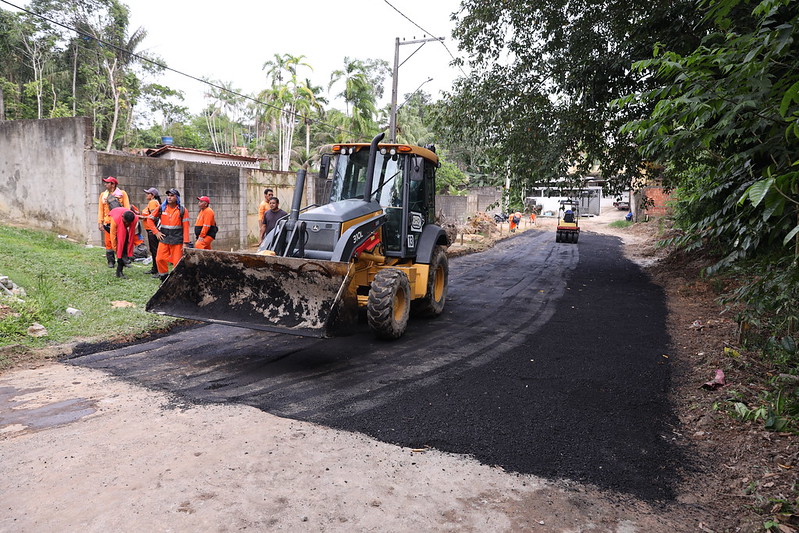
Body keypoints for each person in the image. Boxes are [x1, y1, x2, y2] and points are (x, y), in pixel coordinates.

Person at [152, 188, 190, 281]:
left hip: (177, 240)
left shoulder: (182, 211)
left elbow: (186, 227)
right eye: (168, 195)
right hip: (164, 239)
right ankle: (164, 278)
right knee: (159, 259)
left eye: (172, 195)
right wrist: (156, 232)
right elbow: (149, 219)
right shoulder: (162, 208)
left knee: (177, 263)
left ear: (177, 198)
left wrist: (185, 243)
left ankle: (176, 281)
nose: (169, 197)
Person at [97, 176, 130, 268]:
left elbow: (127, 208)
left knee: (121, 241)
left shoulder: (122, 194)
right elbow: (101, 210)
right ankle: (111, 261)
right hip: (108, 222)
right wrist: (100, 222)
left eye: (107, 183)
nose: (105, 184)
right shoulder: (103, 195)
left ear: (113, 184)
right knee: (108, 242)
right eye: (105, 183)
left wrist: (127, 222)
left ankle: (123, 260)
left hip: (120, 222)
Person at [107, 207, 138, 278]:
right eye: (125, 222)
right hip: (111, 221)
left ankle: (124, 260)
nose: (126, 224)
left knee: (124, 245)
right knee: (120, 248)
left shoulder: (134, 218)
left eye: (128, 223)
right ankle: (119, 271)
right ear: (123, 217)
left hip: (122, 221)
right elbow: (113, 235)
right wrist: (116, 249)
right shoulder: (115, 220)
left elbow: (131, 234)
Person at [141, 187, 161, 274]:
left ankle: (157, 270)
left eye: (148, 193)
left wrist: (142, 217)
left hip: (152, 231)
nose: (146, 195)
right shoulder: (154, 202)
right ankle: (154, 268)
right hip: (151, 230)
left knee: (155, 250)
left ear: (152, 195)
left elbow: (154, 217)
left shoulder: (152, 202)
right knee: (154, 250)